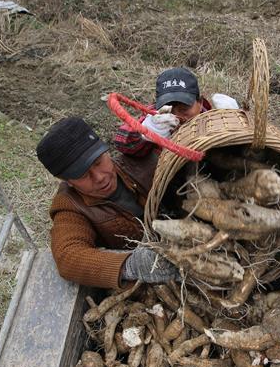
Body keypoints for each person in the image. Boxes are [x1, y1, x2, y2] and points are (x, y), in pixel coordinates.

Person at [36, 117, 178, 289]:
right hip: (152, 281)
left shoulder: (136, 163)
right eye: (83, 175)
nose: (100, 177)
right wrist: (132, 265)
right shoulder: (70, 206)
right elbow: (67, 256)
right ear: (67, 181)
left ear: (106, 151)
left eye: (98, 162)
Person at [114, 67, 213, 181]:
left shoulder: (212, 118)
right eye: (170, 109)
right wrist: (145, 132)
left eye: (184, 108)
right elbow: (121, 141)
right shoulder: (156, 116)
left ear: (200, 102)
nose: (177, 116)